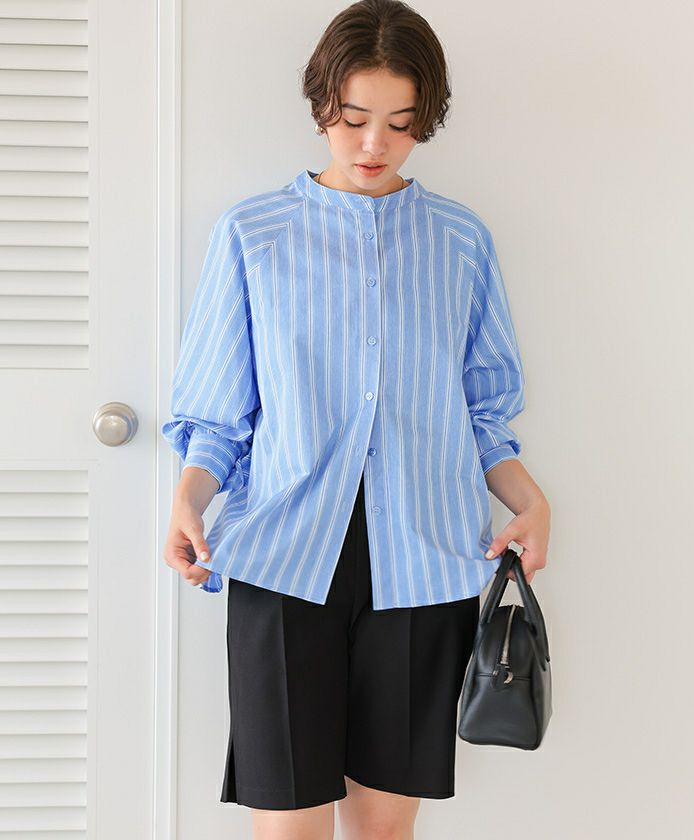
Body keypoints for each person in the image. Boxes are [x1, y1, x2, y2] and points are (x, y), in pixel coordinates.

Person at [161, 1, 551, 838]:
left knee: (382, 829)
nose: (375, 144)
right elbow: (219, 417)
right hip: (283, 560)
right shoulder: (253, 235)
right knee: (289, 828)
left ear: (426, 120)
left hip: (424, 561)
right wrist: (188, 500)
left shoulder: (460, 242)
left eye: (401, 124)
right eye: (354, 118)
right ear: (320, 105)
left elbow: (483, 412)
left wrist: (530, 500)